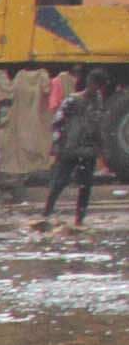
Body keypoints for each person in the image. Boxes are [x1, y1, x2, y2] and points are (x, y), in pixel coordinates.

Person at [41, 71, 108, 229]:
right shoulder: (73, 100)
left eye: (98, 87)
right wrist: (57, 146)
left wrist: (100, 146)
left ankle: (80, 219)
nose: (95, 89)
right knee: (60, 182)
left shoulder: (98, 100)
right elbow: (58, 122)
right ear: (89, 83)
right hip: (69, 149)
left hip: (88, 150)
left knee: (85, 185)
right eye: (94, 85)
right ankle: (46, 214)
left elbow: (98, 124)